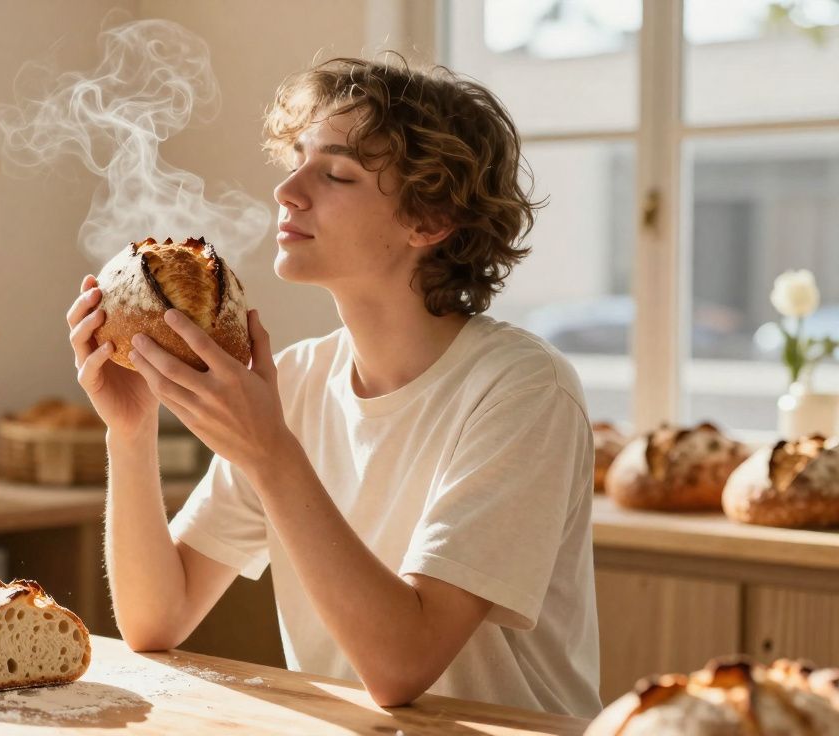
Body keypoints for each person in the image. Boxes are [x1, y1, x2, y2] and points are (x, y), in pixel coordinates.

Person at [65, 56, 601, 718]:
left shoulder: (524, 390)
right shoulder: (296, 379)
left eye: (337, 173)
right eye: (295, 160)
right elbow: (157, 618)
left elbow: (403, 666)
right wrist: (131, 430)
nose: (287, 190)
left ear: (428, 221)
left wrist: (271, 453)